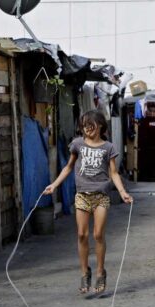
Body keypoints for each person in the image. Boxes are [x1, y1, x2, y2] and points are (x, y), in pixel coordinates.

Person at [43, 110, 133, 295]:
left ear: (100, 126)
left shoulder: (108, 148)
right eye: (84, 127)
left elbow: (114, 173)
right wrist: (54, 185)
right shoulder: (77, 144)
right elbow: (68, 167)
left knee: (98, 234)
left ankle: (100, 271)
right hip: (82, 195)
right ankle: (85, 272)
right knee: (82, 235)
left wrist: (123, 192)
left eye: (90, 126)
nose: (87, 130)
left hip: (101, 196)